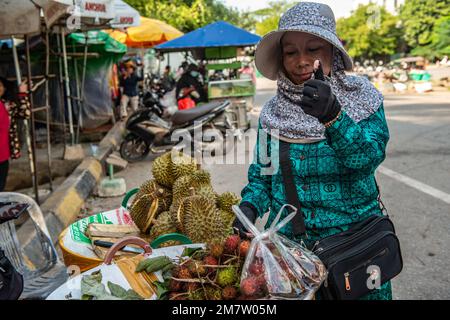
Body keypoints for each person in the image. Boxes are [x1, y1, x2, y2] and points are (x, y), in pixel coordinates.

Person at [233, 2, 392, 300]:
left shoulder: (363, 100)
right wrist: (249, 207)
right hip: (291, 259)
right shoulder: (272, 115)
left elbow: (367, 160)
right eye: (291, 52)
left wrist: (334, 116)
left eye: (314, 49)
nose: (301, 61)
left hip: (355, 251)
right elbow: (264, 178)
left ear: (332, 52)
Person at [0, 77, 30, 191]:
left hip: (3, 155)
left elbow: (25, 113)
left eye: (0, 86)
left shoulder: (6, 105)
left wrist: (22, 94)